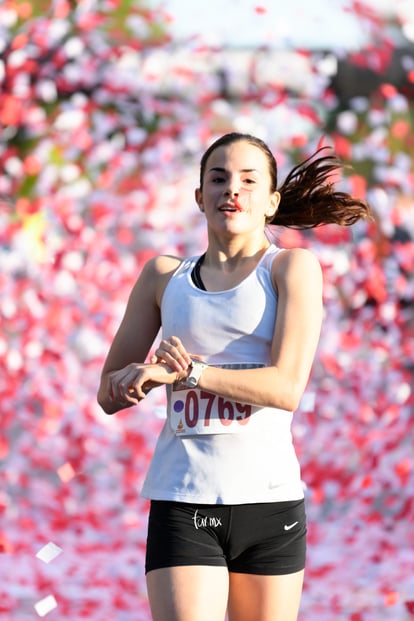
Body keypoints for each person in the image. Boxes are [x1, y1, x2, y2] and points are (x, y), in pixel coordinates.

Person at [97, 132, 371, 621]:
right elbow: (108, 395)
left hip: (269, 505)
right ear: (200, 196)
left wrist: (192, 373)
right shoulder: (163, 277)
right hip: (184, 500)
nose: (232, 190)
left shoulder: (291, 268)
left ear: (271, 201)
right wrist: (139, 380)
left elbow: (286, 388)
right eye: (218, 179)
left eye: (248, 180)